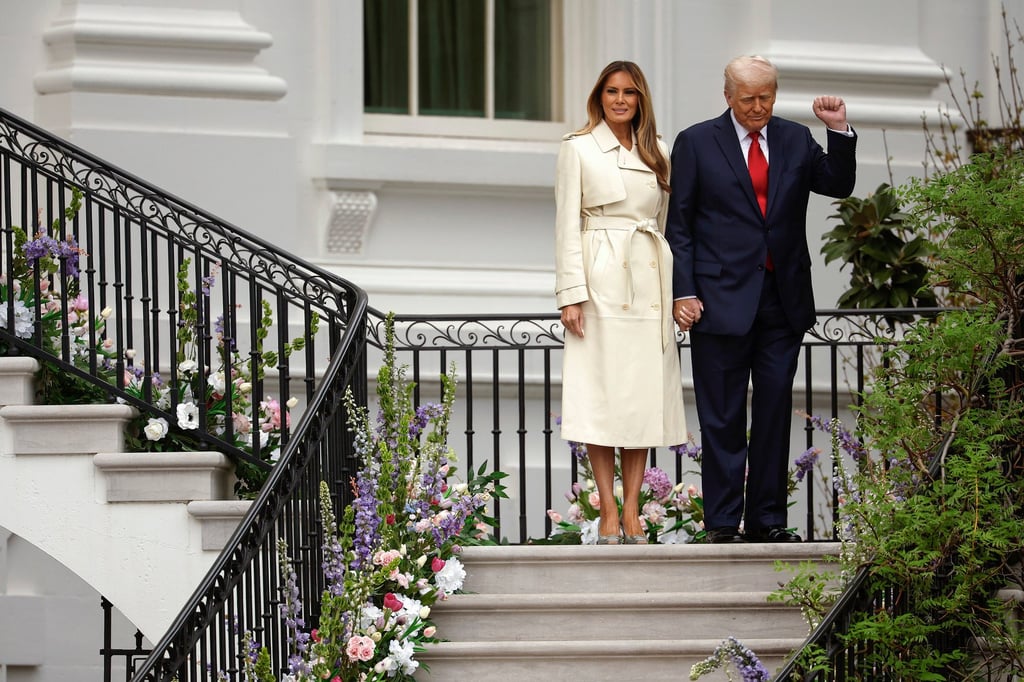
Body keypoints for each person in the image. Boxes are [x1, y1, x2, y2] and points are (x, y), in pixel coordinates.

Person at [666, 55, 856, 544]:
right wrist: (682, 291)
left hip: (782, 301)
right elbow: (680, 226)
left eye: (766, 97)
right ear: (727, 95)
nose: (757, 107)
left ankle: (769, 522)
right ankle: (723, 524)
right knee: (723, 417)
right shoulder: (696, 141)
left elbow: (838, 183)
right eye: (748, 98)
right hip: (717, 300)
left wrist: (838, 129)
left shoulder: (794, 138)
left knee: (773, 414)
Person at [555, 61, 687, 545]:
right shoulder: (578, 148)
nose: (619, 100)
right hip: (600, 281)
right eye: (611, 91)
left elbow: (665, 224)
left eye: (629, 92)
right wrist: (571, 295)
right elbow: (566, 225)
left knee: (642, 400)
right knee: (601, 396)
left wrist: (674, 293)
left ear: (640, 100)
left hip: (649, 282)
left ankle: (633, 510)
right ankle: (607, 509)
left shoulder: (660, 152)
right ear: (599, 96)